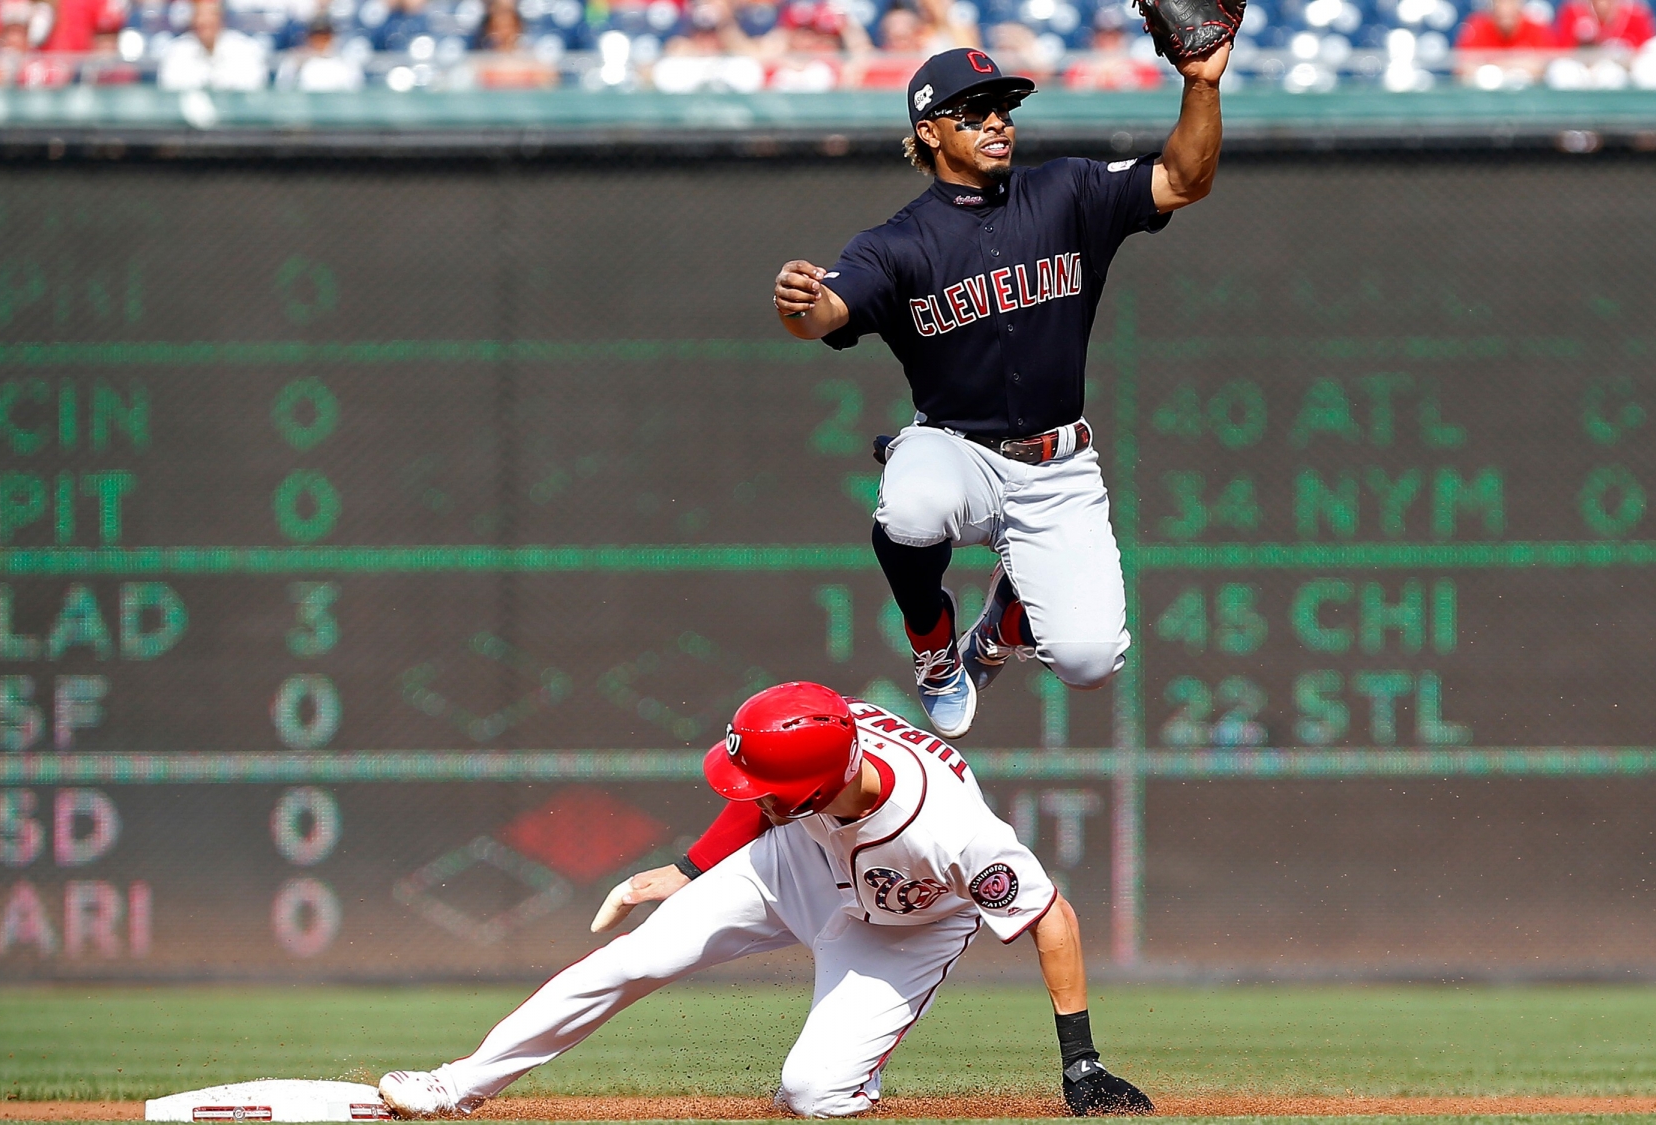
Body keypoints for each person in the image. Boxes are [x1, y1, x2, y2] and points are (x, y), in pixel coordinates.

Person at [375, 682, 1153, 1119]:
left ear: (816, 785)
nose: (749, 793)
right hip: (798, 862)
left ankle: (853, 1078)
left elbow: (1051, 914)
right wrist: (689, 867)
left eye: (769, 789)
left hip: (905, 924)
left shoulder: (952, 830)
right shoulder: (820, 736)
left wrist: (1081, 1061)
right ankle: (458, 1084)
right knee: (634, 956)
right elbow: (767, 794)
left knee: (812, 1093)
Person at [770, 45, 1226, 737]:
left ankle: (1002, 626)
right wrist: (796, 303)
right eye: (973, 112)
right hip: (958, 449)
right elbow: (824, 316)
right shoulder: (897, 243)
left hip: (1058, 466)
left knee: (1089, 660)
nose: (996, 122)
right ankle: (934, 647)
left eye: (1003, 109)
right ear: (929, 131)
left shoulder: (1067, 192)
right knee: (912, 507)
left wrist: (1199, 83)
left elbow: (1185, 179)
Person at [157, 0, 270, 87]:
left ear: (220, 19)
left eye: (211, 16)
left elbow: (254, 85)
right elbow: (170, 87)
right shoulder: (177, 50)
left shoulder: (244, 48)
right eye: (200, 16)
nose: (205, 21)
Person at [1454, 0, 1555, 80]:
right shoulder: (1477, 27)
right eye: (1501, 2)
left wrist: (1497, 64)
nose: (1505, 8)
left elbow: (1543, 67)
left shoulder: (1536, 28)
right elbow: (1463, 66)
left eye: (1511, 2)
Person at [1551, 0, 1654, 51]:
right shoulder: (1572, 11)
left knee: (1608, 73)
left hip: (1621, 71)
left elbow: (1644, 51)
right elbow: (1562, 51)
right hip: (1581, 68)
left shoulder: (1636, 14)